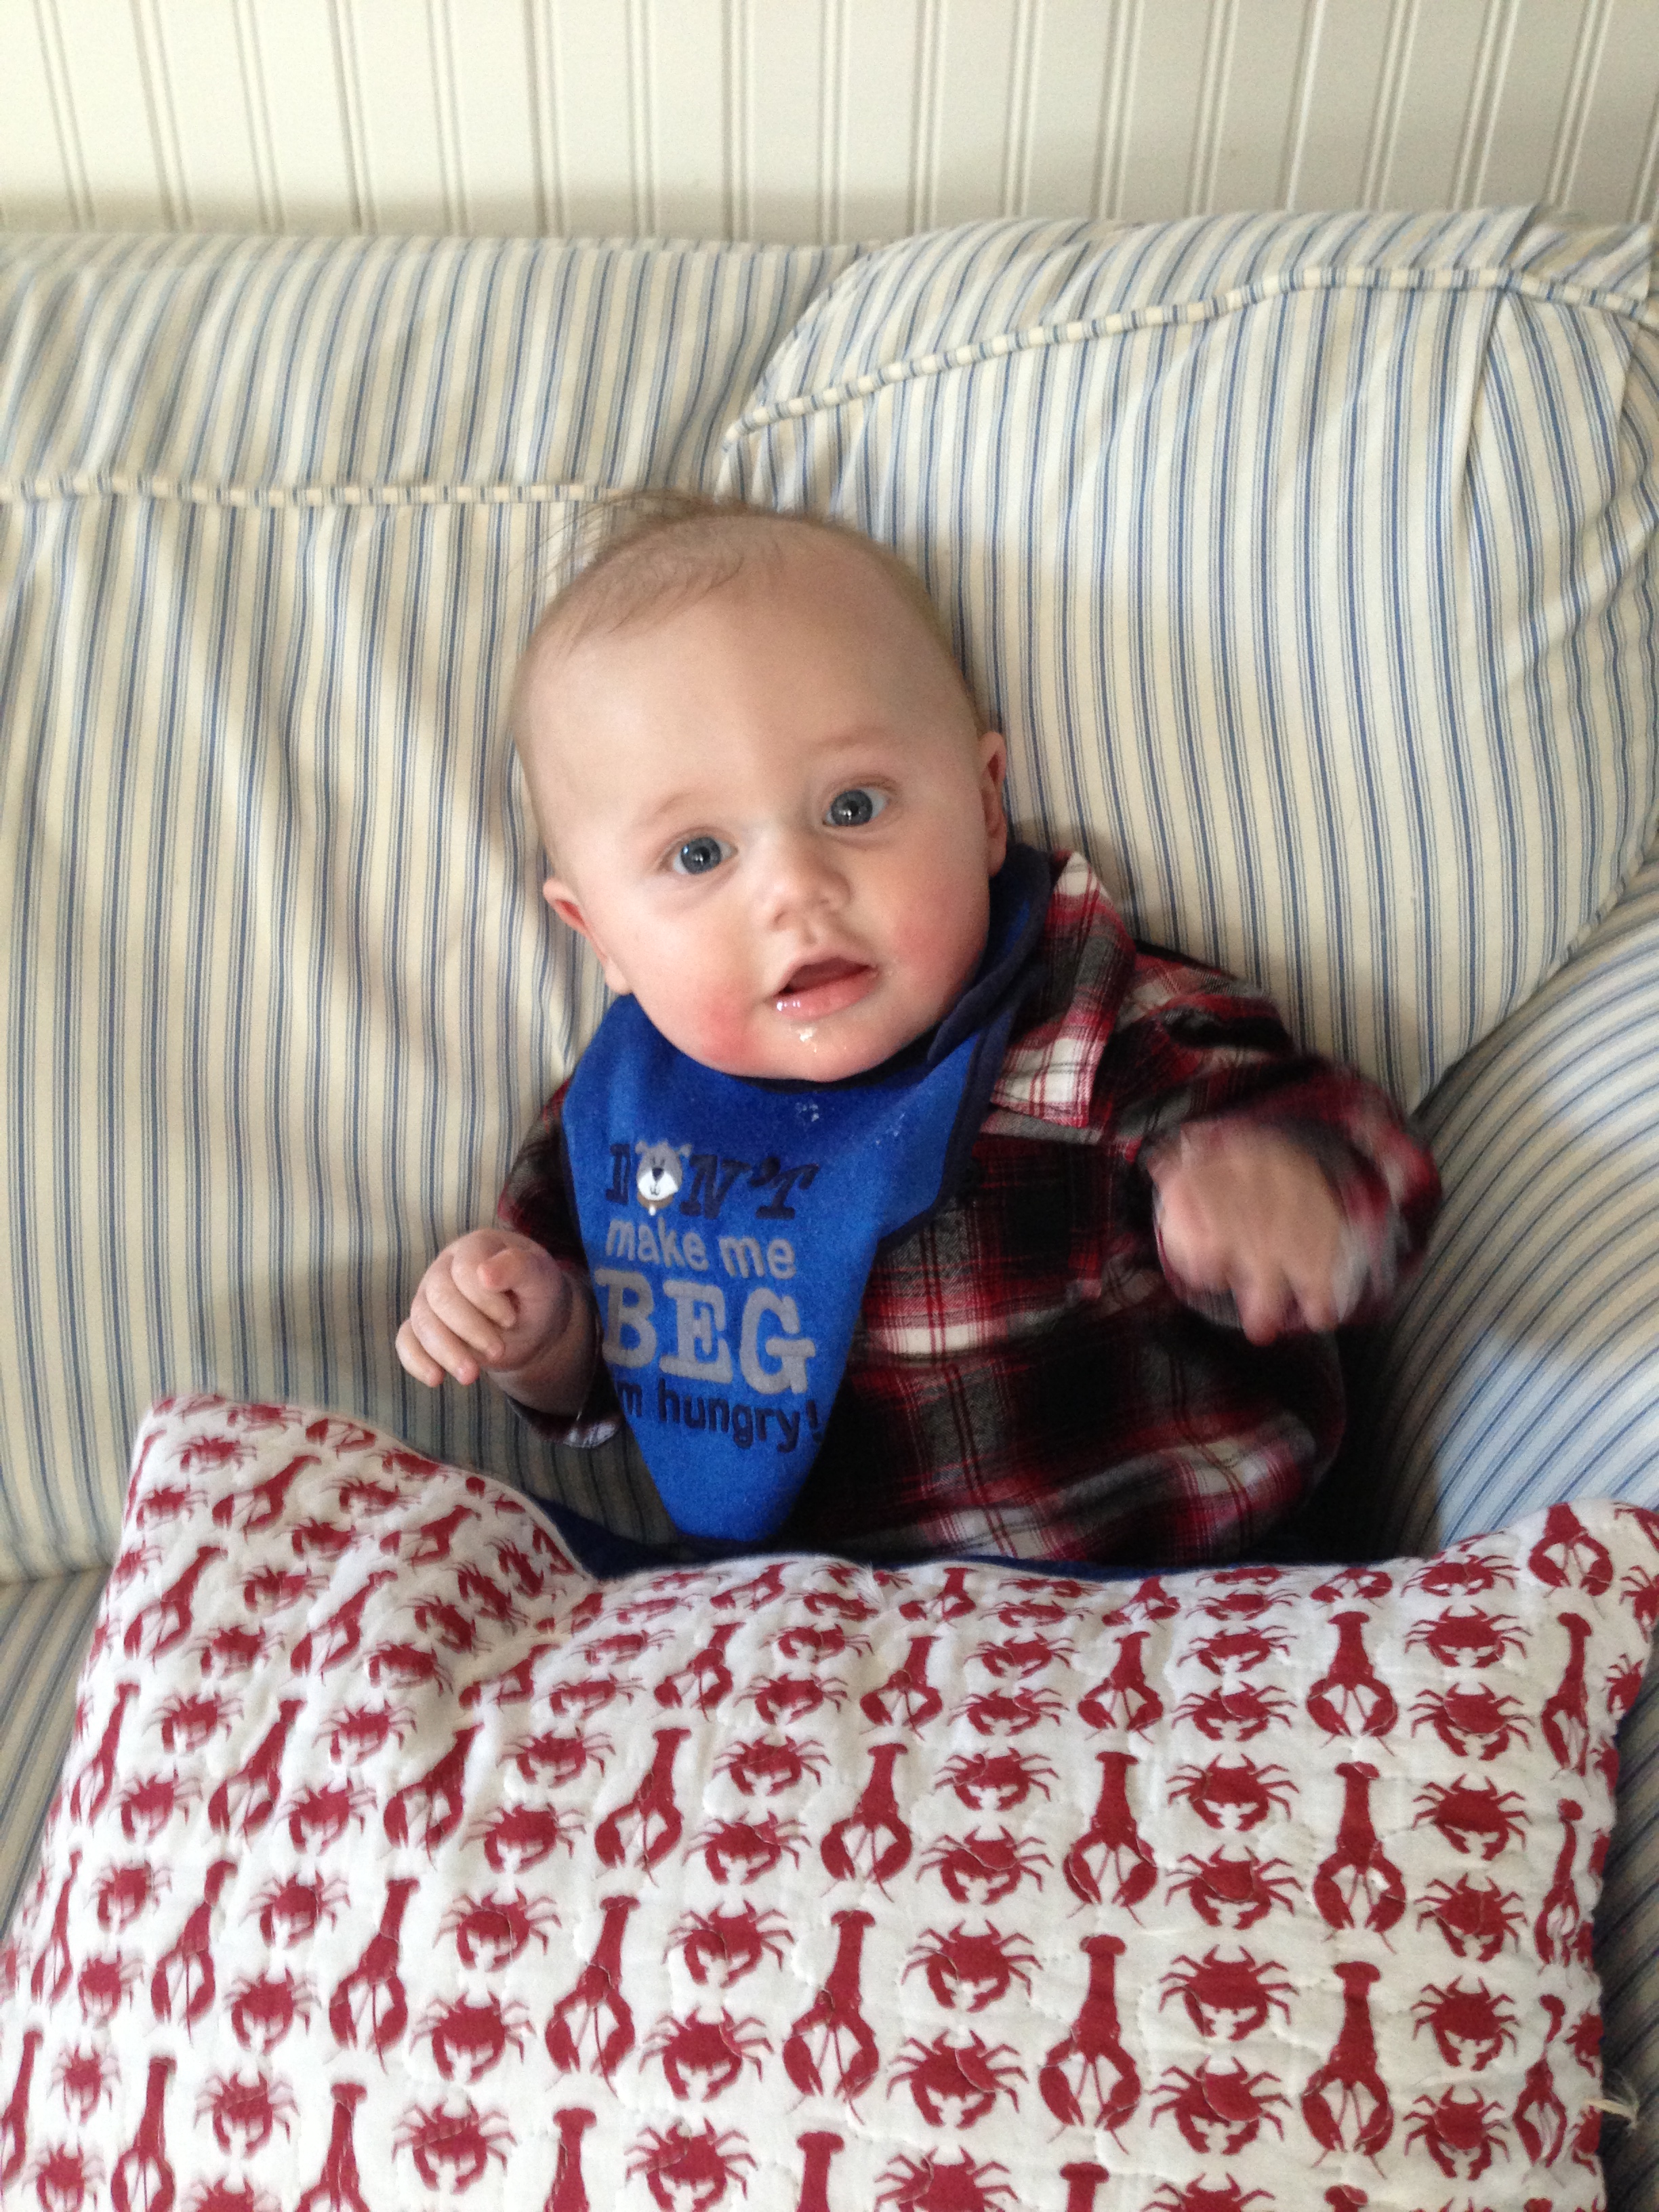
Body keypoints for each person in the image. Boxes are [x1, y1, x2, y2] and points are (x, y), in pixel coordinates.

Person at [396, 496, 1439, 1565]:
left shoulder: (1103, 1027)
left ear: (984, 807)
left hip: (1172, 1595)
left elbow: (1367, 1159)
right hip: (827, 1635)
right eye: (699, 855)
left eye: (854, 807)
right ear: (599, 935)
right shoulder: (623, 1124)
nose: (796, 889)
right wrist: (537, 1334)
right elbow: (605, 1385)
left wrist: (1292, 1189)